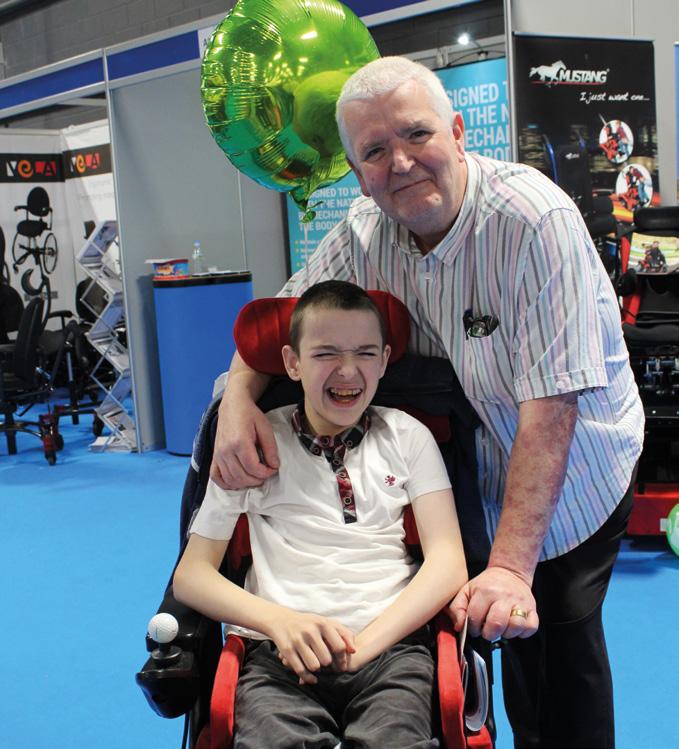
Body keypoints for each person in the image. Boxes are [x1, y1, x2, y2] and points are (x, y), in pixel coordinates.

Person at [210, 56, 644, 748]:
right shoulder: (364, 232)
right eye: (375, 151)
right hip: (465, 475)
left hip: (570, 474)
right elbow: (281, 324)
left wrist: (510, 568)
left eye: (417, 134)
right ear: (358, 173)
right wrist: (235, 397)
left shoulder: (533, 222)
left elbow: (551, 410)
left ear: (458, 133)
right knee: (467, 655)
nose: (402, 163)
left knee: (552, 660)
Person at [174, 280, 467, 748]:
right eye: (326, 353)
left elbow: (448, 562)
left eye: (365, 353)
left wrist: (366, 646)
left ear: (385, 359)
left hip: (391, 649)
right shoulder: (250, 444)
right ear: (292, 362)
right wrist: (280, 623)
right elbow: (192, 575)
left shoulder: (409, 436)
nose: (348, 371)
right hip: (277, 654)